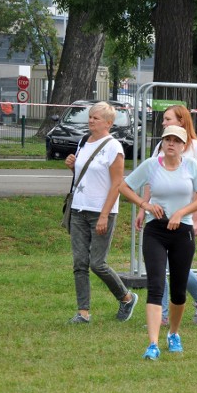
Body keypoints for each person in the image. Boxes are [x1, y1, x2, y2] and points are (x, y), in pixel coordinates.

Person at [119, 125, 197, 360]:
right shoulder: (151, 165)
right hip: (155, 231)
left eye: (176, 140)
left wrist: (181, 213)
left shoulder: (190, 166)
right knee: (157, 285)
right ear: (162, 143)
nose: (171, 143)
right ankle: (152, 343)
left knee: (179, 291)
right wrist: (145, 205)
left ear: (183, 146)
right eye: (167, 139)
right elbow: (124, 186)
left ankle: (174, 334)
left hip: (183, 232)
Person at [136, 105, 197, 326]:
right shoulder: (162, 147)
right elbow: (152, 179)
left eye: (167, 118)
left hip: (183, 221)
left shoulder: (196, 150)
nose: (163, 122)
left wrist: (193, 218)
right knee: (159, 268)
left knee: (177, 269)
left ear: (181, 121)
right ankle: (161, 314)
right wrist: (144, 207)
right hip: (158, 220)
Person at [65, 101, 138, 324]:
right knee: (79, 262)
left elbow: (117, 184)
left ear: (108, 122)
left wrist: (105, 215)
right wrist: (72, 166)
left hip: (100, 211)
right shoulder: (83, 142)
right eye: (90, 117)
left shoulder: (113, 147)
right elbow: (85, 175)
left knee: (97, 263)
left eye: (95, 118)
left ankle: (126, 297)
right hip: (78, 208)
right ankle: (83, 312)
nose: (90, 121)